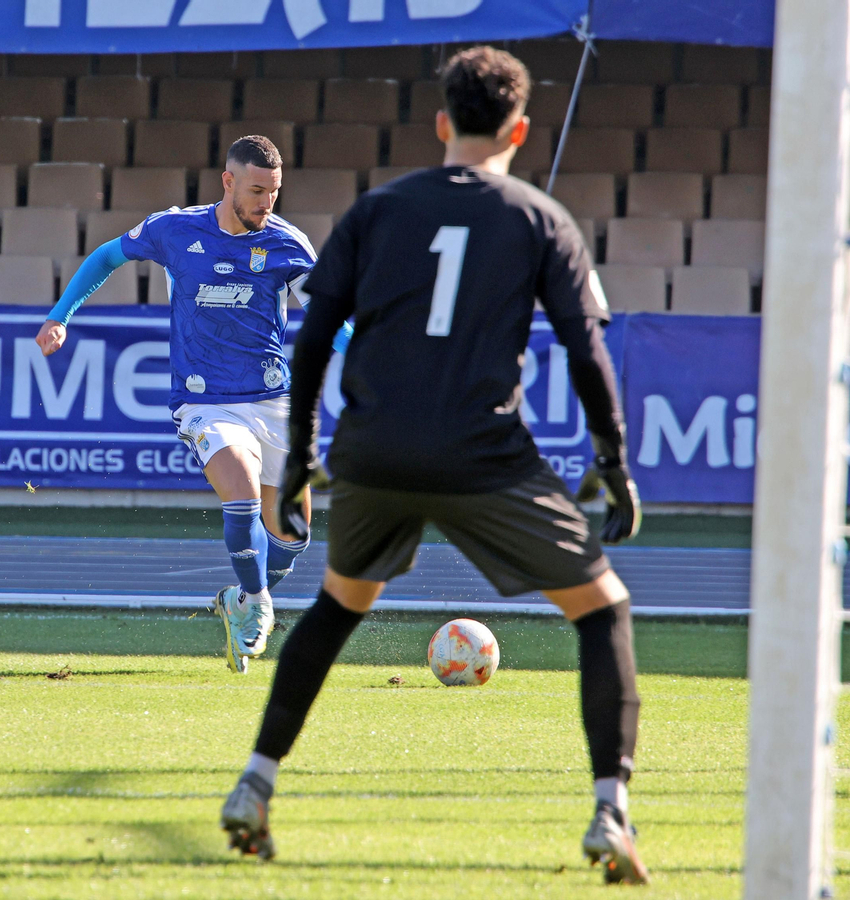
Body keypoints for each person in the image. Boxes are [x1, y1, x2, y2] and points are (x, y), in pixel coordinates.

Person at [218, 47, 650, 884]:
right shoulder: (538, 217)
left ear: (442, 124)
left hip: (374, 449)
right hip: (483, 453)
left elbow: (311, 339)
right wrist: (614, 460)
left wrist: (302, 456)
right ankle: (611, 809)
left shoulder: (377, 211)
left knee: (339, 607)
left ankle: (255, 782)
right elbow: (587, 351)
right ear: (520, 130)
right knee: (603, 611)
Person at [35, 136, 350, 673]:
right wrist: (61, 314)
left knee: (292, 538)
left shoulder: (287, 244)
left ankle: (240, 600)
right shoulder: (175, 230)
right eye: (256, 191)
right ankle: (258, 606)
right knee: (241, 493)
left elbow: (327, 320)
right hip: (206, 403)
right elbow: (107, 256)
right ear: (227, 182)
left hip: (274, 402)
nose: (266, 203)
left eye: (273, 192)